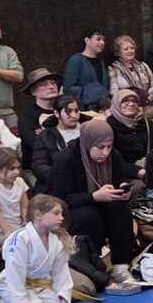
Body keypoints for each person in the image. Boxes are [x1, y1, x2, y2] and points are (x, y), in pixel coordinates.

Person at [47, 117, 143, 291]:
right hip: (72, 210)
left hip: (104, 203)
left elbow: (118, 181)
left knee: (120, 209)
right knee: (88, 215)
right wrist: (93, 197)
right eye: (100, 147)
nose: (105, 152)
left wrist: (123, 191)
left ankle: (121, 266)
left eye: (109, 147)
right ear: (88, 142)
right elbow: (60, 199)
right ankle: (91, 263)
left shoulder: (114, 156)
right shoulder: (66, 159)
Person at [0, 193, 73, 303]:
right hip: (12, 283)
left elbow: (61, 271)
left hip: (38, 285)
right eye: (56, 213)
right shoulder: (20, 238)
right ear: (38, 215)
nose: (61, 218)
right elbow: (14, 270)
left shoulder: (56, 240)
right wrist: (18, 299)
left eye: (61, 214)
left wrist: (64, 294)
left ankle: (27, 299)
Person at [27, 97, 82, 192]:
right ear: (57, 113)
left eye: (76, 111)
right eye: (68, 111)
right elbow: (38, 166)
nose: (74, 115)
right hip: (58, 185)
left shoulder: (87, 130)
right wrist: (59, 176)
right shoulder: (46, 136)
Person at [105, 87, 153, 167]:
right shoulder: (108, 127)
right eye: (125, 101)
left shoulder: (147, 124)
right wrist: (135, 171)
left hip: (148, 169)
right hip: (122, 173)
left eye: (134, 101)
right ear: (117, 103)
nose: (131, 104)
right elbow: (109, 158)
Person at [104, 34, 153, 105]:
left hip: (146, 104)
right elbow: (114, 92)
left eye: (132, 48)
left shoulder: (143, 65)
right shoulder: (113, 69)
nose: (130, 51)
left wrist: (147, 99)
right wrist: (130, 102)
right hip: (126, 106)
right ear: (118, 53)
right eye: (126, 49)